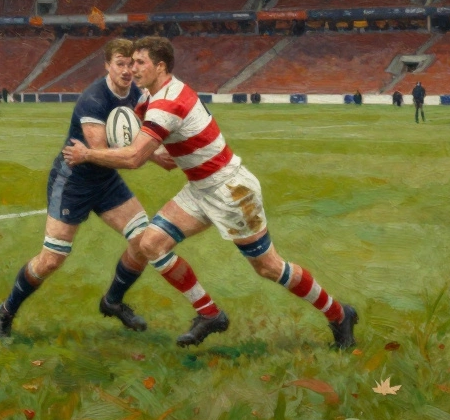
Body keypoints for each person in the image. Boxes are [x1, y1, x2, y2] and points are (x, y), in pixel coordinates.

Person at [70, 37, 358, 349]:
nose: (133, 68)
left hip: (230, 190)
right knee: (151, 243)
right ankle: (209, 314)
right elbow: (138, 121)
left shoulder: (167, 103)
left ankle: (340, 314)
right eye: (130, 62)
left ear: (160, 66)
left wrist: (89, 155)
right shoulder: (155, 95)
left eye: (140, 63)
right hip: (200, 188)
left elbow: (133, 157)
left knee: (268, 267)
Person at [0, 39, 176, 339]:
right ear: (107, 65)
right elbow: (102, 150)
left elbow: (132, 137)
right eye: (120, 63)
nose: (127, 70)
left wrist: (156, 153)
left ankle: (112, 301)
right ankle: (6, 311)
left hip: (105, 180)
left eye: (132, 63)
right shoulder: (93, 100)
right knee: (52, 259)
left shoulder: (137, 95)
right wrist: (150, 157)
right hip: (74, 181)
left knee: (144, 241)